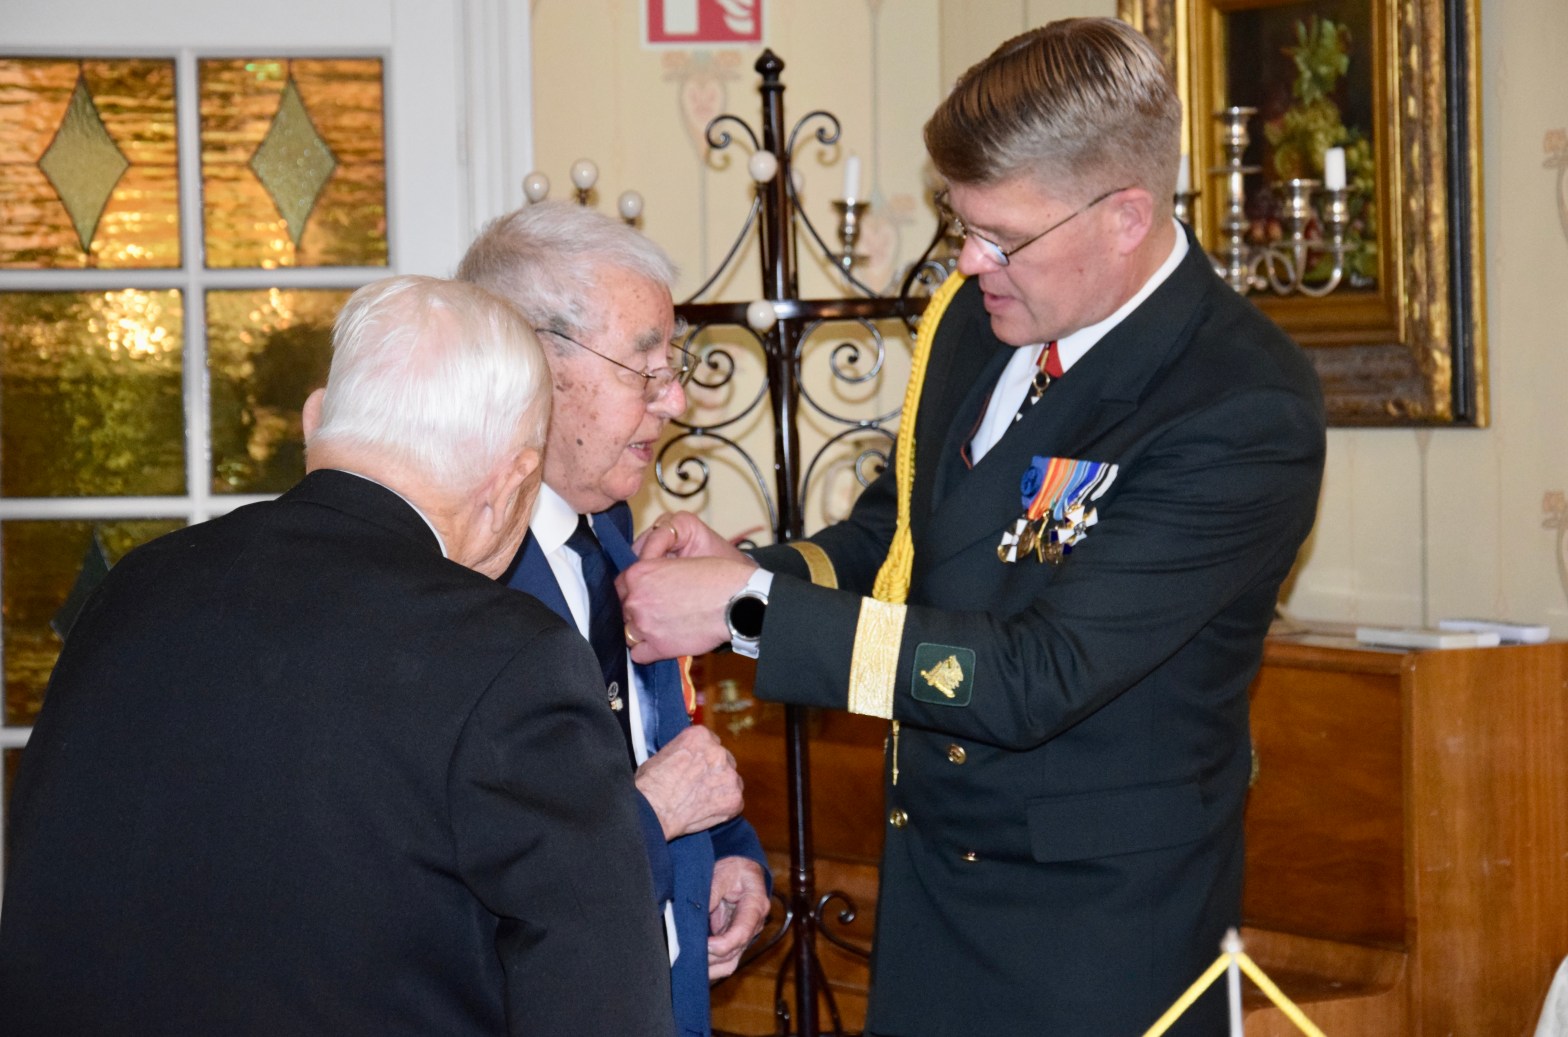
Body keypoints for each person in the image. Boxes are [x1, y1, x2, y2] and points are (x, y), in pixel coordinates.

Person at [617, 17, 1327, 1037]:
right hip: (930, 884)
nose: (968, 257)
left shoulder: (1235, 403)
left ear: (1125, 215)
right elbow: (901, 534)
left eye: (1002, 234)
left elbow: (1043, 669)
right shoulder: (974, 317)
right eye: (960, 222)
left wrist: (745, 610)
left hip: (1094, 938)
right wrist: (753, 567)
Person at [0, 276, 674, 1037]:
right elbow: (602, 998)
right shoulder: (509, 659)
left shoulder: (133, 589)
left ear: (314, 418)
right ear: (516, 479)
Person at [456, 202, 770, 1037]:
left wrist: (731, 849)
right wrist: (657, 815)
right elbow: (472, 874)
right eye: (644, 367)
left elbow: (648, 746)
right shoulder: (460, 587)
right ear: (533, 365)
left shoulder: (620, 541)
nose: (675, 400)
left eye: (675, 362)